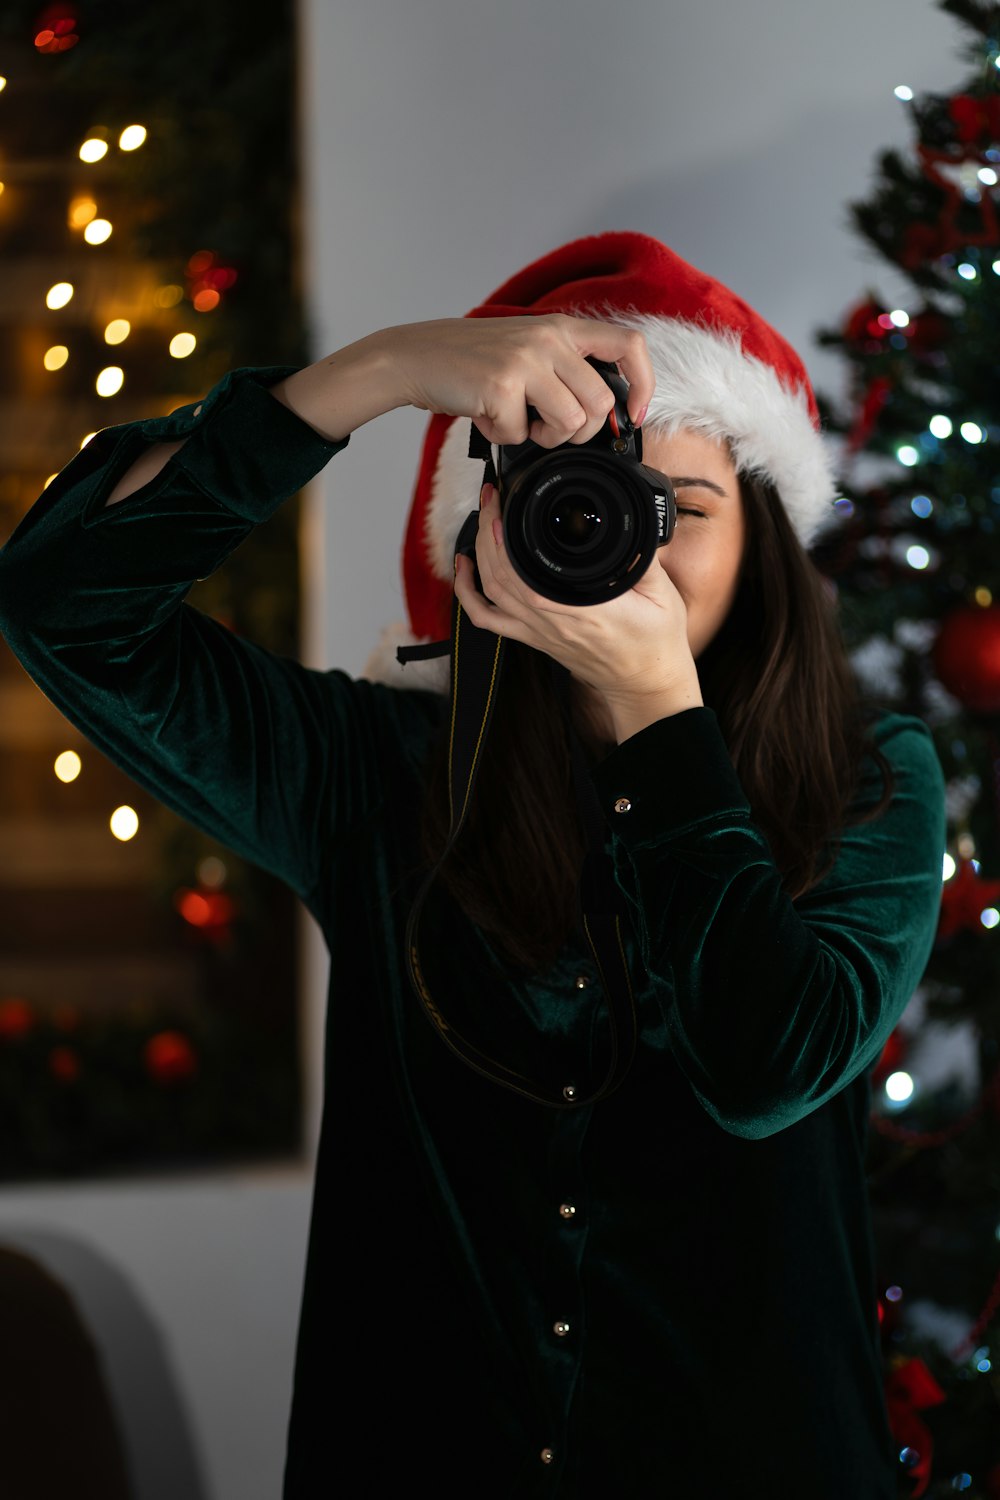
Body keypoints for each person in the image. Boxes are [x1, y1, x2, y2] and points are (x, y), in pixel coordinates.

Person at [0, 230, 946, 1497]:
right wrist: (375, 375)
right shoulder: (373, 770)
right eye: (583, 500)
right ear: (486, 525)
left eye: (686, 509)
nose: (631, 545)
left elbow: (767, 1064)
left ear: (762, 542)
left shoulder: (869, 779)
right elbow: (60, 602)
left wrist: (659, 717)